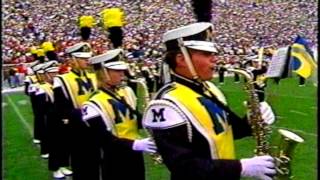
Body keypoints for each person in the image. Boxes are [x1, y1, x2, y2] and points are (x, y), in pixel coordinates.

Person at [142, 22, 276, 180]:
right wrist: (240, 167)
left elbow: (226, 132)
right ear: (181, 59)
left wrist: (253, 120)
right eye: (206, 54)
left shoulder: (210, 89)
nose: (215, 60)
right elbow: (182, 166)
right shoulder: (166, 104)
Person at [80, 49, 157, 180]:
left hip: (135, 152)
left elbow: (133, 121)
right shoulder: (92, 104)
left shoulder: (127, 92)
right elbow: (102, 139)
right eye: (117, 71)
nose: (123, 74)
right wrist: (134, 145)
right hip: (114, 157)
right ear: (103, 73)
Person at [52, 42, 97, 179]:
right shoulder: (61, 80)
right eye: (82, 58)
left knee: (97, 164)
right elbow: (62, 109)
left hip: (95, 126)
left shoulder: (93, 76)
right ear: (72, 60)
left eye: (87, 57)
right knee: (81, 165)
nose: (87, 60)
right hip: (78, 128)